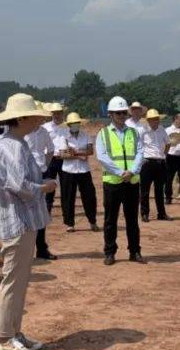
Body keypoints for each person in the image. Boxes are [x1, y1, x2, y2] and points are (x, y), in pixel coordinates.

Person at [0, 94, 54, 350]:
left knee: (20, 280)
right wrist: (44, 188)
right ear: (23, 118)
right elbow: (18, 185)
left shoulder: (17, 142)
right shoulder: (13, 146)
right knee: (13, 280)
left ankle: (14, 332)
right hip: (16, 220)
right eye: (36, 116)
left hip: (24, 220)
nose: (40, 120)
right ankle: (4, 337)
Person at [96, 96, 144, 265]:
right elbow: (102, 157)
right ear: (110, 114)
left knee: (132, 220)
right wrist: (120, 172)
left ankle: (135, 251)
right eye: (118, 113)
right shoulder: (103, 134)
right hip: (113, 183)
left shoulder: (134, 132)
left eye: (124, 113)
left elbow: (139, 153)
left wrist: (131, 171)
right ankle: (110, 252)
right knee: (110, 220)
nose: (122, 116)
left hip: (131, 182)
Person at [55, 112, 98, 232]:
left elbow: (90, 151)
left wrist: (75, 152)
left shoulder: (86, 135)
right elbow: (62, 155)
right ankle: (70, 223)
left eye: (77, 123)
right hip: (69, 171)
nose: (75, 125)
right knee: (68, 197)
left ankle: (92, 221)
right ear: (68, 125)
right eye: (72, 123)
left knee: (89, 196)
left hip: (84, 170)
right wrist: (80, 155)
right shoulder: (63, 137)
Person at [24, 105, 57, 260]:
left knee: (41, 211)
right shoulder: (23, 132)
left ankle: (41, 249)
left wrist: (45, 163)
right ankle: (25, 250)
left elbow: (50, 149)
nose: (40, 119)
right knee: (26, 211)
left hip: (41, 172)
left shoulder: (43, 132)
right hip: (26, 175)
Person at [139, 108, 171, 222]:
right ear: (148, 120)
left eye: (156, 119)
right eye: (152, 119)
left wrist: (164, 155)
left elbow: (168, 143)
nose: (154, 121)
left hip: (160, 162)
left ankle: (161, 213)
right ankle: (144, 214)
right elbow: (137, 146)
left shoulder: (162, 129)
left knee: (159, 190)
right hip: (147, 162)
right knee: (145, 190)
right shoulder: (142, 130)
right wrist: (141, 158)